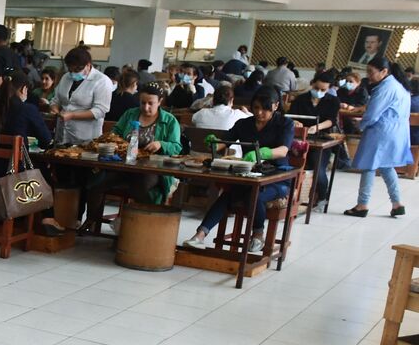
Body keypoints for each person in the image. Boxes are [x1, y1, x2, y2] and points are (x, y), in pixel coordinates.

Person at [183, 88, 296, 252]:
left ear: (276, 105)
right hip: (250, 173)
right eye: (256, 108)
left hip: (278, 176)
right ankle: (200, 235)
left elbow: (283, 150)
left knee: (254, 194)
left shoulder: (285, 124)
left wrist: (262, 153)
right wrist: (214, 143)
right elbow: (226, 141)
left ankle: (258, 234)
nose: (259, 112)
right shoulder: (245, 124)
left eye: (265, 108)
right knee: (228, 195)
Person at [0, 69, 66, 234]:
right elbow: (46, 141)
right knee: (45, 171)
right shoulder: (27, 109)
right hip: (15, 178)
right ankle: (47, 218)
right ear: (23, 89)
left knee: (33, 166)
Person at [90, 82, 180, 225]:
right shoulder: (130, 114)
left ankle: (137, 225)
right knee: (96, 182)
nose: (146, 107)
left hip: (153, 169)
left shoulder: (169, 121)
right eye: (143, 103)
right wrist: (117, 141)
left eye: (151, 103)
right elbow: (115, 132)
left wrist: (161, 144)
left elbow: (176, 147)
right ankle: (92, 220)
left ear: (160, 101)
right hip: (124, 165)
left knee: (141, 186)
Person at [344, 56, 408, 218]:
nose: (369, 76)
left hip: (381, 131)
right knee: (386, 166)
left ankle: (362, 205)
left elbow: (373, 114)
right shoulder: (398, 85)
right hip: (395, 131)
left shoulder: (385, 88)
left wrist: (361, 125)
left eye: (371, 72)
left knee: (369, 165)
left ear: (384, 71)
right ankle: (397, 203)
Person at [289, 71, 342, 201]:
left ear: (329, 88)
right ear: (312, 84)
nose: (319, 91)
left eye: (323, 89)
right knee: (292, 167)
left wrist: (317, 127)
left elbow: (331, 120)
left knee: (319, 171)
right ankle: (293, 198)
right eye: (316, 88)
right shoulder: (301, 99)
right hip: (299, 138)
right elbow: (291, 116)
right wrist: (296, 122)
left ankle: (322, 199)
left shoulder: (333, 101)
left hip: (321, 138)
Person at [49, 46, 113, 144]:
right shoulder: (66, 77)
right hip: (62, 133)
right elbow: (56, 99)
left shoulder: (102, 81)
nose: (73, 74)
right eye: (70, 70)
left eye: (76, 71)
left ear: (88, 65)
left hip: (86, 136)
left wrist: (72, 115)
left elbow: (100, 110)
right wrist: (55, 109)